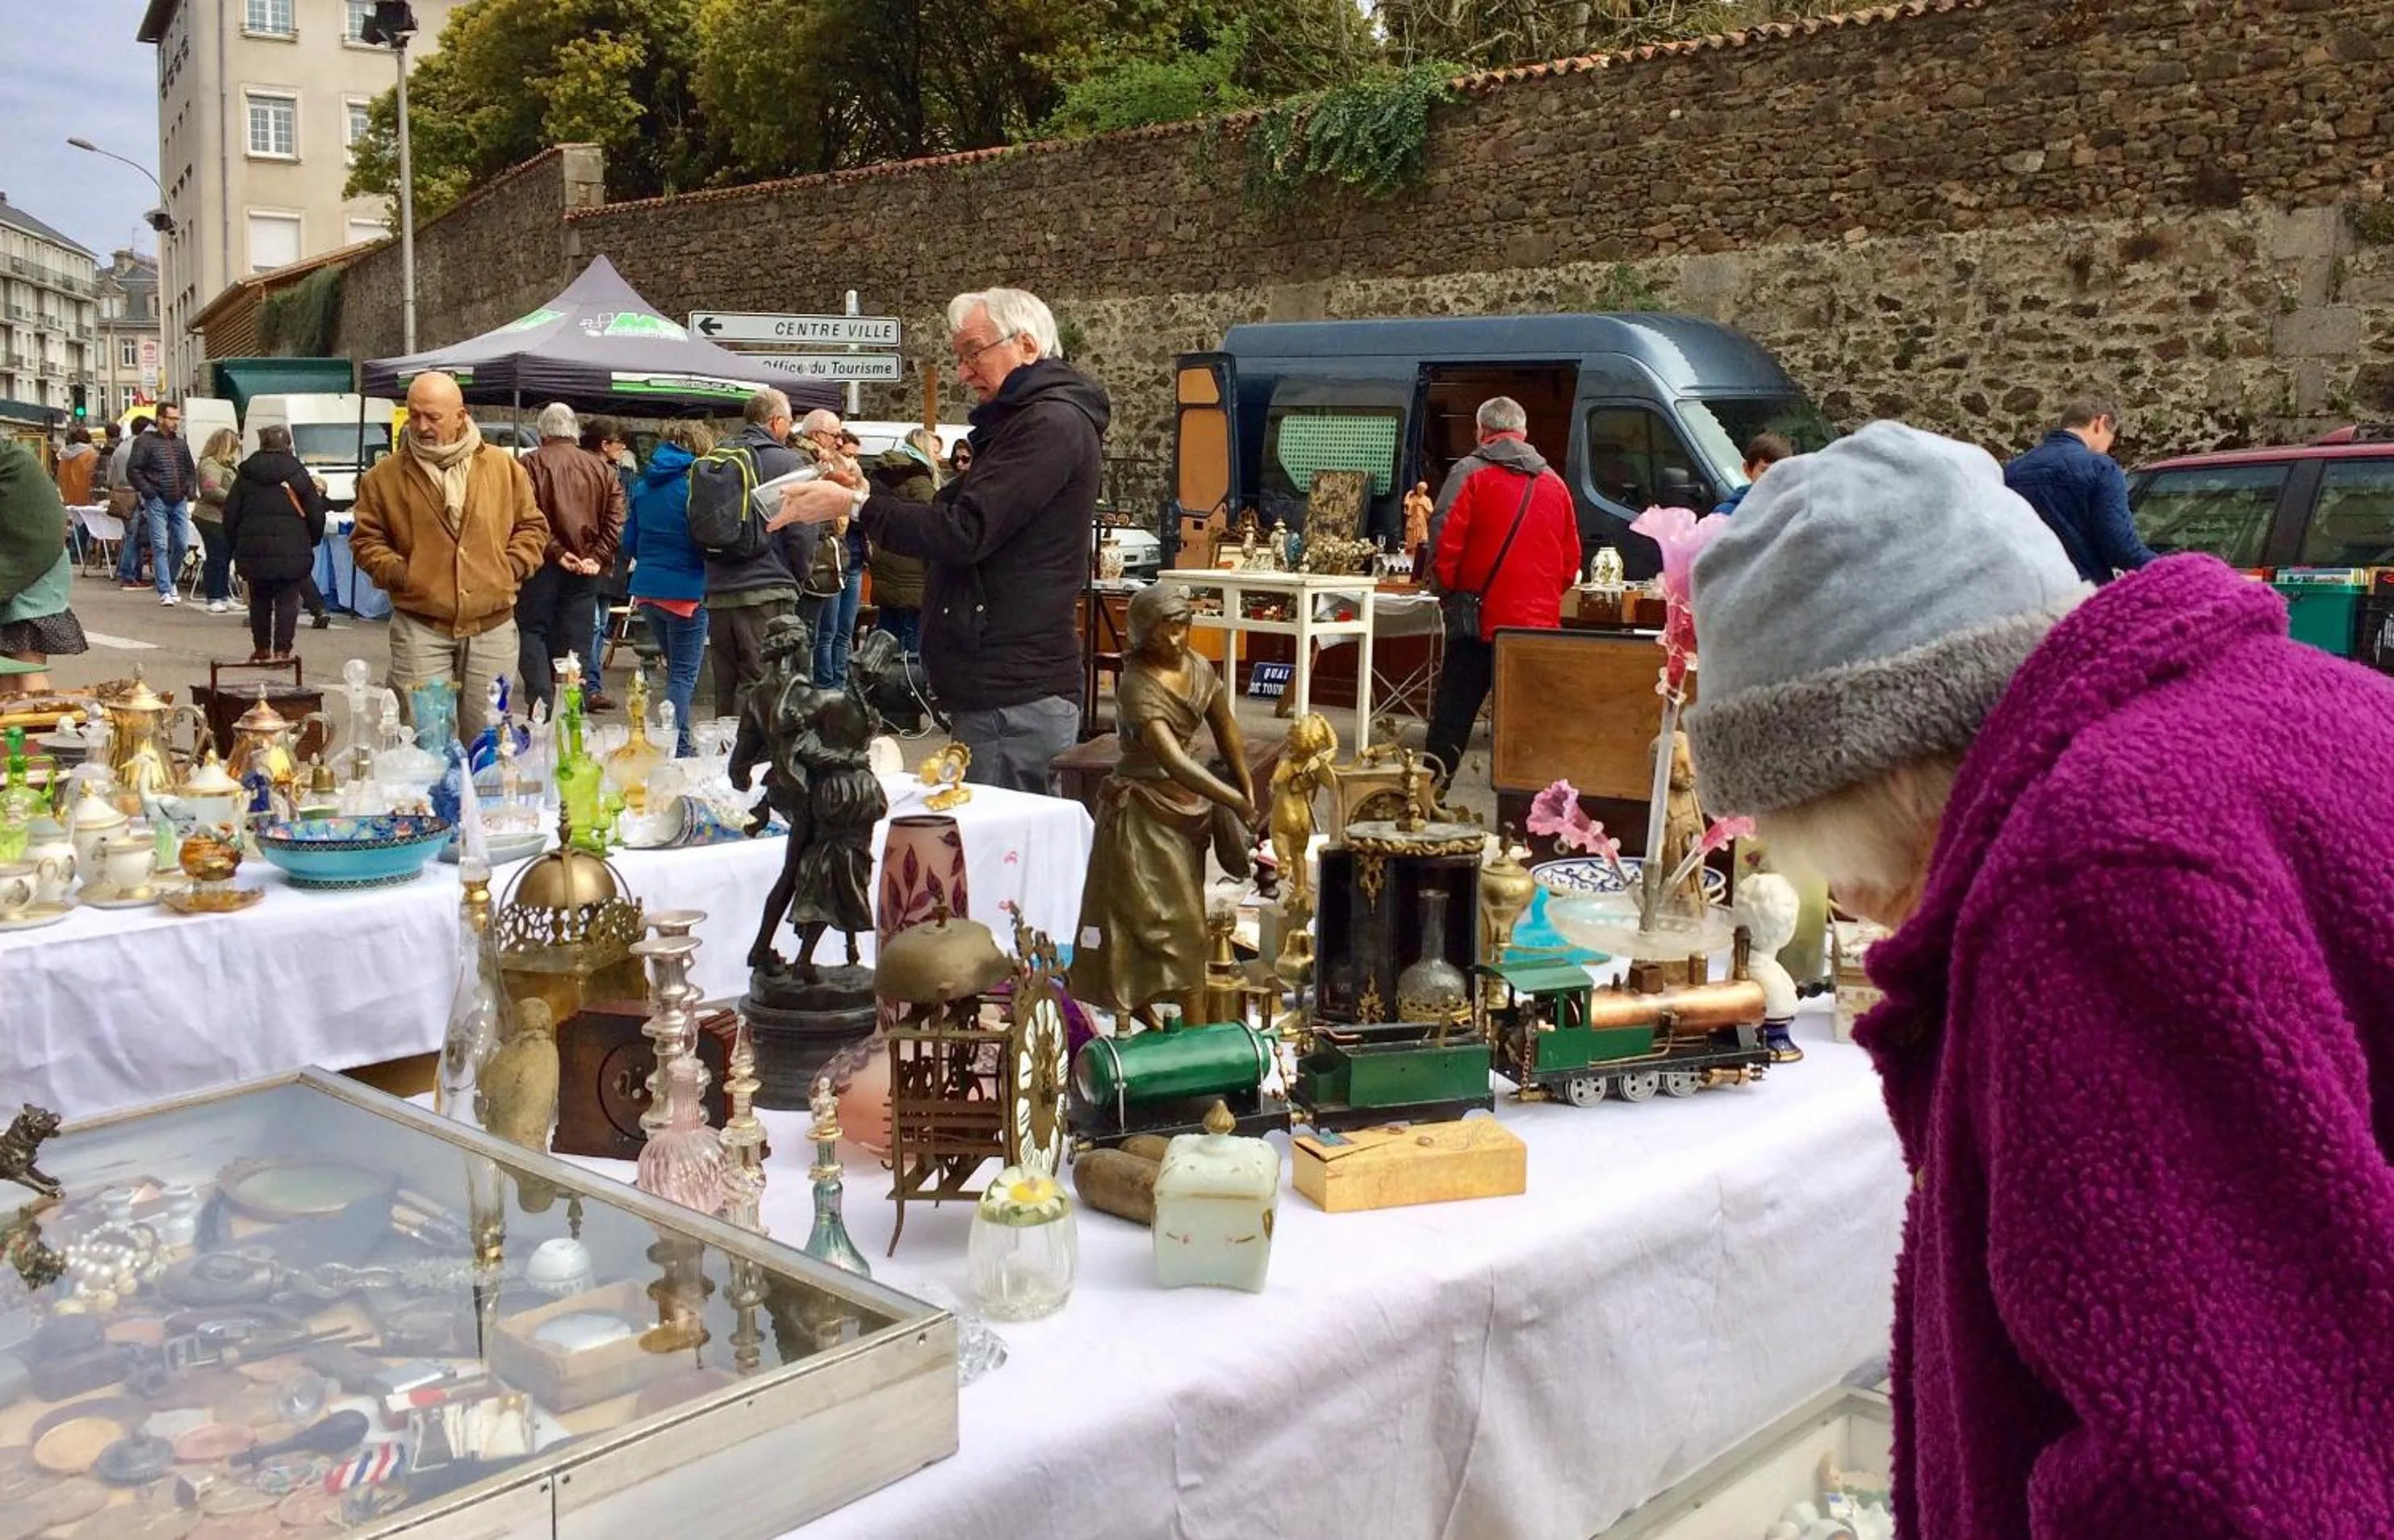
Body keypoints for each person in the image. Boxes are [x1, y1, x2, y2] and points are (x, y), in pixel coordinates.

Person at [1682, 421, 2394, 1538]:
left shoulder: (2091, 878)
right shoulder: (2290, 707)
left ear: (1876, 766)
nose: (1852, 900)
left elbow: (2216, 1476)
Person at [776, 287, 1107, 794]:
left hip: (1013, 691)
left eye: (973, 351)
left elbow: (964, 531)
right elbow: (953, 517)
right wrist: (863, 494)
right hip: (1000, 688)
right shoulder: (1025, 423)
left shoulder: (1049, 424)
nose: (963, 371)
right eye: (958, 356)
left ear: (1026, 345)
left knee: (996, 858)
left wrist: (855, 507)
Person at [1068, 584, 1255, 1026]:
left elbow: (1226, 728)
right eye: (1165, 632)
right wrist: (1230, 797)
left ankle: (1178, 1027)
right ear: (1141, 634)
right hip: (1143, 814)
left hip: (1185, 810)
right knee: (1170, 924)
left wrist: (1246, 785)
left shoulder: (1197, 668)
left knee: (1173, 916)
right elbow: (1170, 759)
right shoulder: (1136, 685)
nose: (1176, 640)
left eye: (1182, 628)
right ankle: (1187, 1034)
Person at [349, 371, 547, 744]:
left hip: (492, 626)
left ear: (461, 415)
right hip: (421, 626)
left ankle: (482, 803)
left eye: (433, 417)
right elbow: (366, 540)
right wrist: (401, 574)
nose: (421, 426)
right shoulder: (384, 477)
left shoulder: (503, 469)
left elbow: (532, 527)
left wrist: (510, 568)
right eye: (414, 415)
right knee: (427, 744)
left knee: (489, 742)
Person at [1424, 396, 1581, 786]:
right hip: (1537, 627)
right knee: (1531, 722)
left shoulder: (1469, 473)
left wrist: (1448, 591)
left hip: (1481, 620)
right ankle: (1533, 803)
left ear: (1482, 431)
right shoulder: (1555, 485)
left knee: (1453, 715)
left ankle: (1428, 798)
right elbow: (1570, 561)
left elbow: (1444, 543)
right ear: (1524, 433)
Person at [704, 388, 822, 720]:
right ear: (777, 421)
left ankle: (723, 762)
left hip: (718, 587)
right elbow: (802, 530)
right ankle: (753, 766)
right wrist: (798, 574)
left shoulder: (718, 457)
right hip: (767, 587)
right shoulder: (786, 462)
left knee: (725, 687)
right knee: (762, 683)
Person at [517, 402, 626, 718]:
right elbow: (616, 518)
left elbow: (527, 515)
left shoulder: (530, 465)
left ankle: (542, 705)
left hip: (541, 565)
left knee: (531, 631)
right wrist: (597, 556)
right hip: (585, 568)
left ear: (542, 433)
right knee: (575, 639)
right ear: (575, 432)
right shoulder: (602, 470)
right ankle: (570, 708)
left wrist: (557, 551)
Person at [626, 420, 714, 755]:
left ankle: (681, 739)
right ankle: (676, 744)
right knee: (682, 675)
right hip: (687, 589)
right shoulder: (696, 483)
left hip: (648, 588)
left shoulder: (645, 484)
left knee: (674, 667)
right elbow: (706, 536)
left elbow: (630, 541)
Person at [2003, 396, 2156, 584]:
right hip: (2080, 591)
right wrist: (2178, 569)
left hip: (2025, 590)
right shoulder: (2101, 467)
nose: (2108, 448)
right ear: (2101, 423)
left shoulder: (2013, 469)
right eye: (2111, 438)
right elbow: (2122, 549)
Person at [221, 425, 328, 663]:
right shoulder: (297, 473)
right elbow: (315, 512)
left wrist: (237, 543)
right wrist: (311, 540)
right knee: (288, 599)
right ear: (288, 445)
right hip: (292, 545)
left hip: (253, 546)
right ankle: (282, 651)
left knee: (259, 599)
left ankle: (261, 649)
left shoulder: (246, 474)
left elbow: (231, 514)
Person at [0, 438, 87, 698]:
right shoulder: (15, 458)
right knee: (6, 666)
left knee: (27, 664)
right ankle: (10, 735)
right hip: (32, 566)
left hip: (33, 573)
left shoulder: (13, 462)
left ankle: (36, 732)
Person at [580, 416, 637, 710]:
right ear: (604, 444)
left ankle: (591, 685)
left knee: (598, 626)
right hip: (596, 559)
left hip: (605, 560)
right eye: (618, 442)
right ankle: (589, 687)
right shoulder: (601, 472)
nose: (623, 447)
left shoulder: (618, 472)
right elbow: (614, 520)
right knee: (593, 626)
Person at [865, 429, 938, 654]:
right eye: (936, 451)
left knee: (886, 638)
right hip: (913, 573)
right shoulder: (919, 480)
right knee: (910, 648)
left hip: (887, 565)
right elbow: (932, 523)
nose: (939, 457)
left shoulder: (882, 474)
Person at [126, 404, 196, 605]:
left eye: (177, 419)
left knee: (182, 544)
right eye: (172, 418)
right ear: (160, 419)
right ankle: (165, 589)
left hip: (178, 498)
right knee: (160, 545)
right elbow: (134, 470)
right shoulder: (145, 442)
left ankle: (170, 581)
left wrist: (189, 489)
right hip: (157, 498)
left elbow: (190, 469)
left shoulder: (181, 444)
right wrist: (148, 491)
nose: (176, 423)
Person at [192, 427, 241, 613]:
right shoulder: (210, 465)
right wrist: (235, 498)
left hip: (223, 516)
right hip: (210, 516)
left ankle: (224, 595)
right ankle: (214, 596)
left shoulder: (227, 466)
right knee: (216, 556)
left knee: (225, 556)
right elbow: (211, 489)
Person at [1711, 431, 1795, 515]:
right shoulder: (1725, 516)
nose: (1771, 478)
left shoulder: (1791, 515)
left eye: (1779, 472)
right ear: (1747, 469)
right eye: (1765, 471)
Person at [53, 426, 97, 509]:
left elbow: (60, 479)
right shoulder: (90, 455)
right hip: (87, 505)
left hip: (69, 503)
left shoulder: (64, 457)